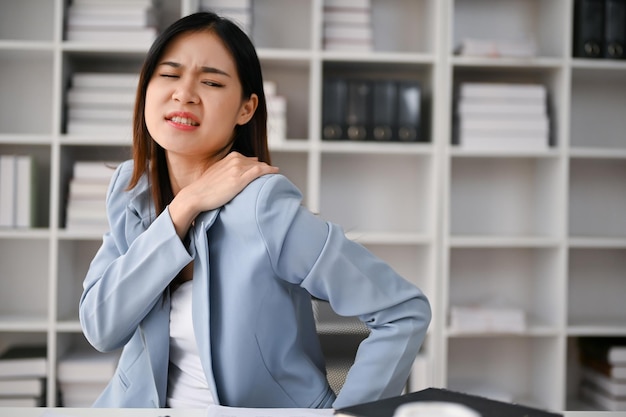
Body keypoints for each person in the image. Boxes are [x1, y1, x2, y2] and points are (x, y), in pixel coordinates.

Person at [79, 11, 431, 410]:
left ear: (246, 109)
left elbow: (402, 311)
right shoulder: (132, 190)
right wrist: (185, 206)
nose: (185, 94)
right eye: (169, 74)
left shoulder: (263, 210)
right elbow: (101, 327)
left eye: (211, 81)